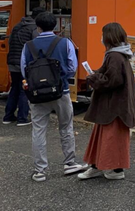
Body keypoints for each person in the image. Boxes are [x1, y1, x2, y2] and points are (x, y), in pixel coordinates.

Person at [21, 12, 85, 182]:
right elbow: (73, 66)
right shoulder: (65, 43)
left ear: (38, 27)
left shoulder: (29, 46)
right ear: (55, 26)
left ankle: (40, 170)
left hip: (37, 95)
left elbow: (24, 70)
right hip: (61, 92)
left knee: (39, 130)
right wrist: (61, 77)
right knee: (66, 127)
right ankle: (69, 163)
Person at [78, 22, 135, 181]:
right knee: (109, 137)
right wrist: (97, 75)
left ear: (108, 37)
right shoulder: (121, 54)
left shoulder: (114, 56)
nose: (101, 38)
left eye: (103, 34)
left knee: (110, 138)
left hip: (113, 106)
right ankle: (102, 166)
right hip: (118, 105)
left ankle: (113, 168)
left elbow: (113, 80)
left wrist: (94, 77)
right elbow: (111, 75)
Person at [2, 8, 41, 127]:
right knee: (24, 89)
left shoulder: (17, 26)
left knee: (14, 88)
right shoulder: (34, 29)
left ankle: (8, 116)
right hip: (23, 63)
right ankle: (22, 118)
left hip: (12, 62)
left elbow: (9, 43)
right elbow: (36, 45)